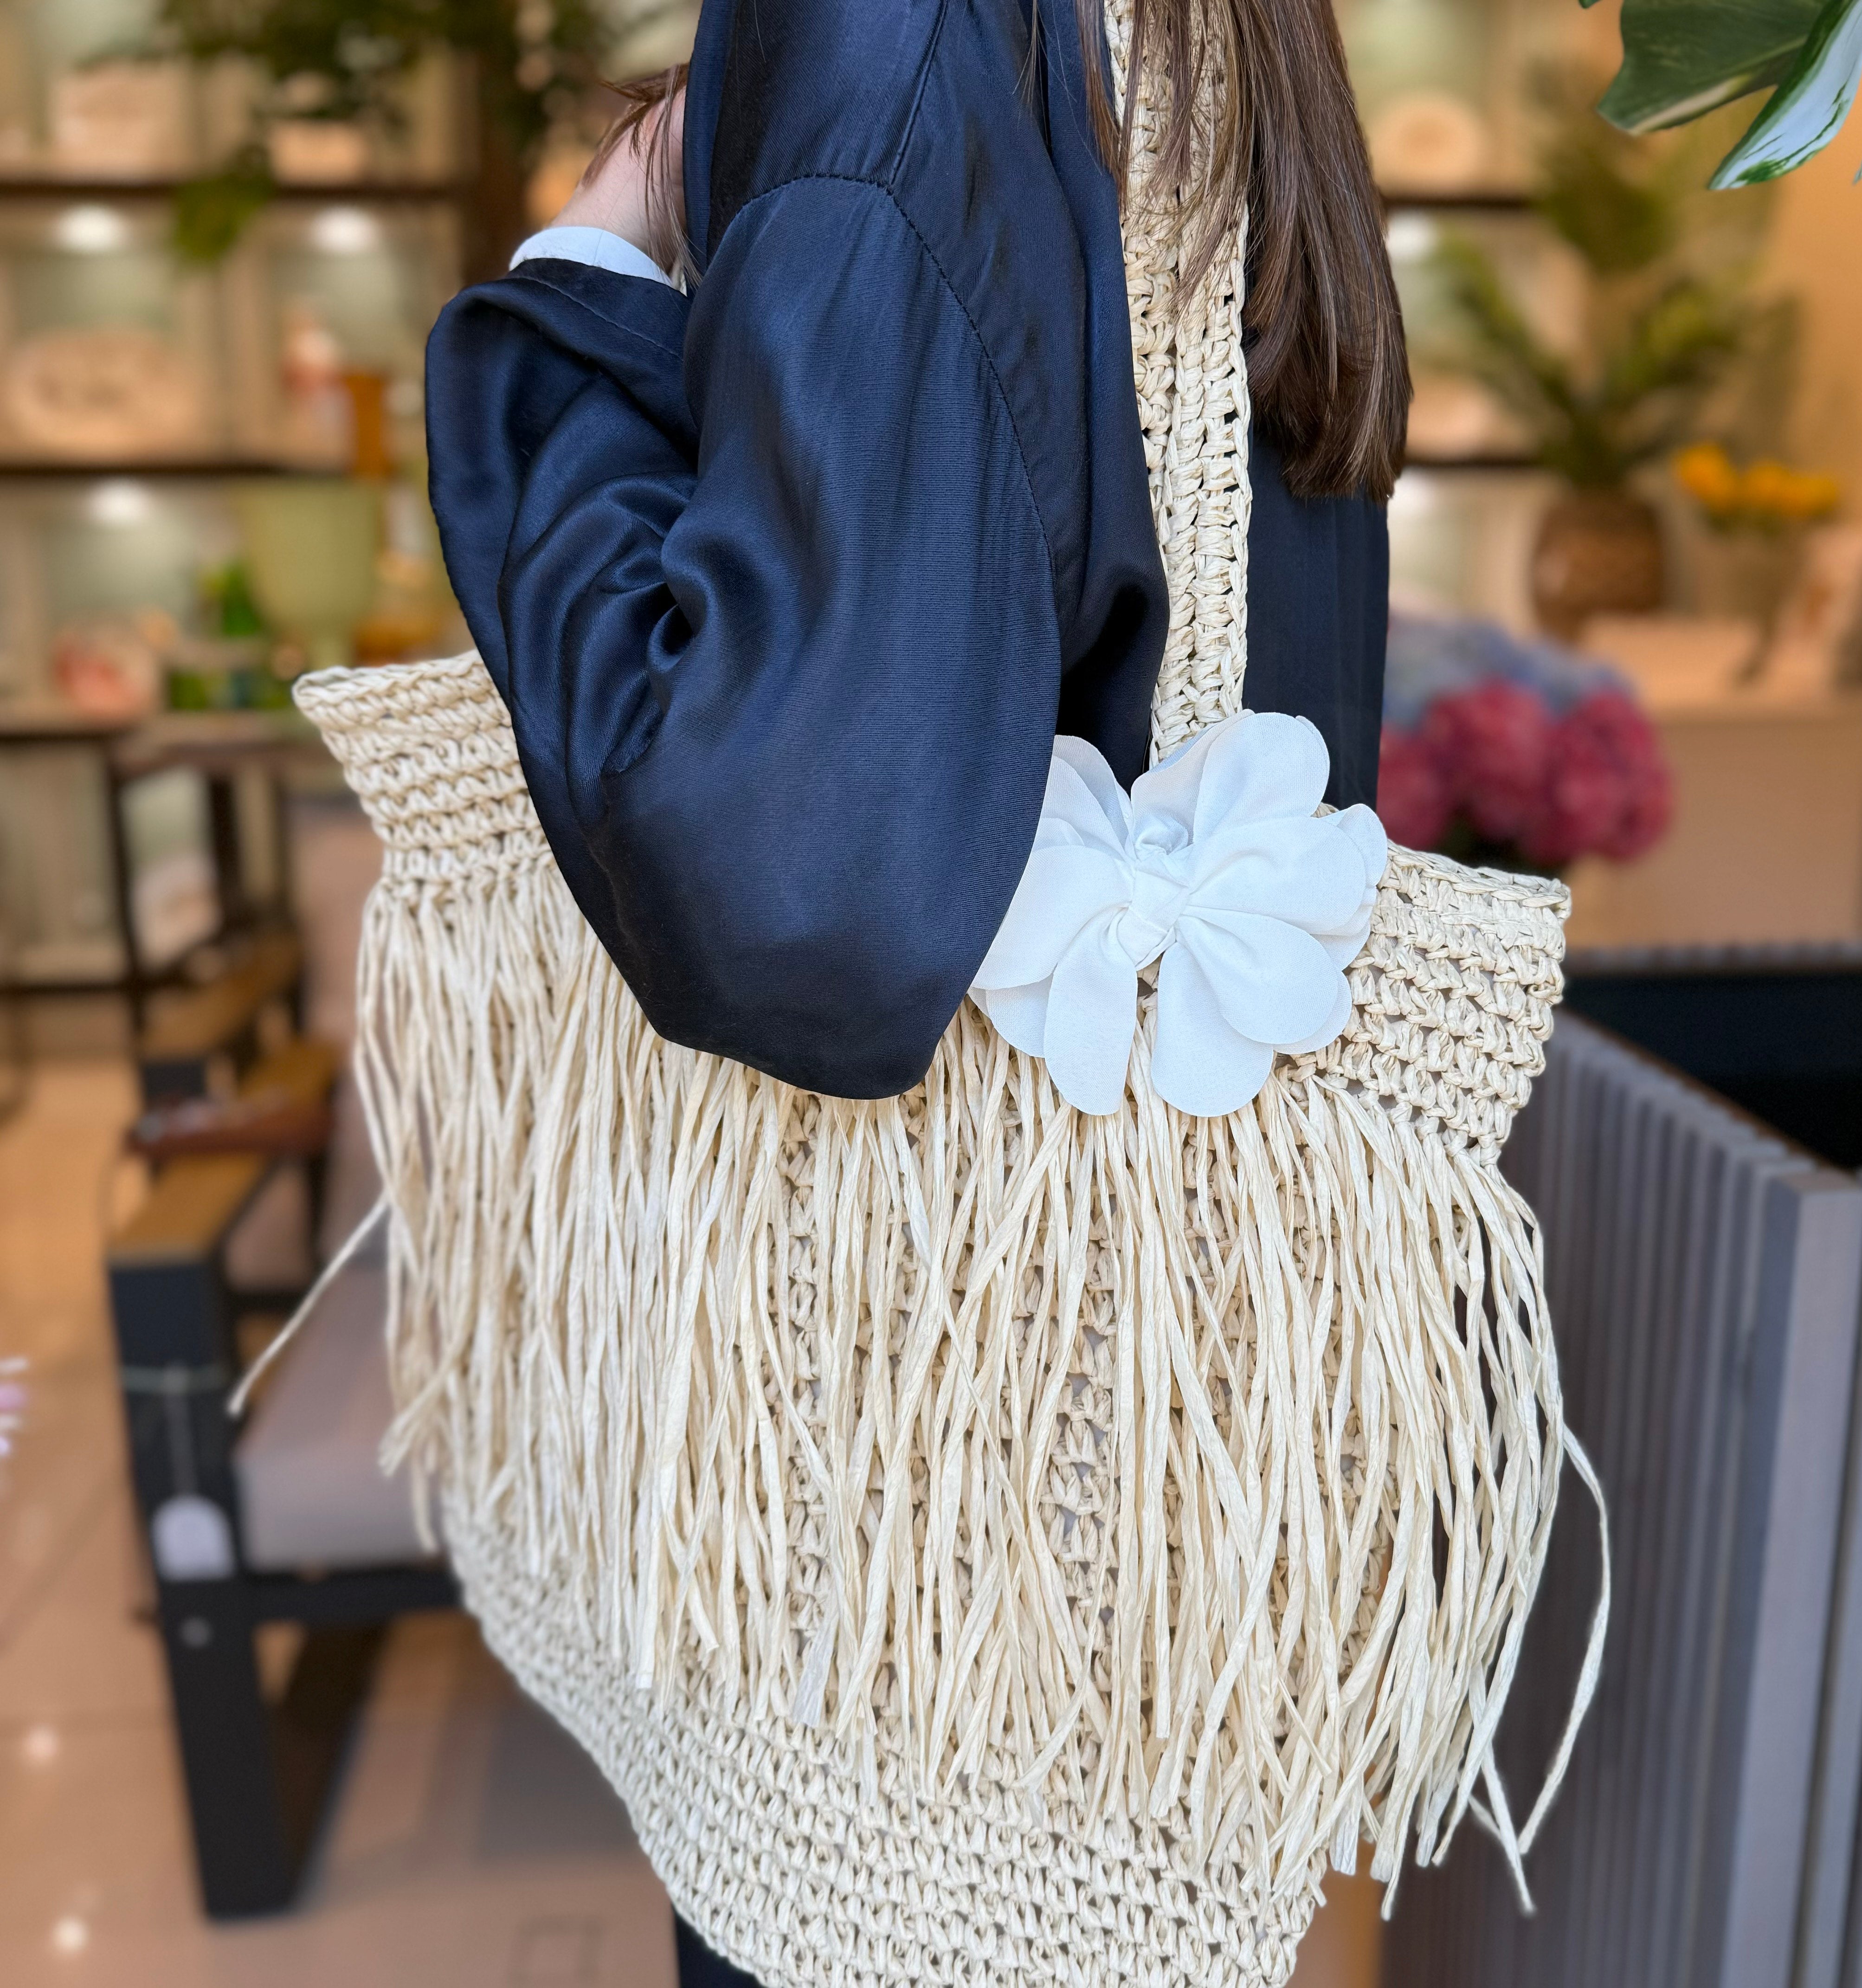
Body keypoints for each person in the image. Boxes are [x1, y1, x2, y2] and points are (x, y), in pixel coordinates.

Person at [423, 3, 1405, 1981]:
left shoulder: (894, 33)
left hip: (894, 1481)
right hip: (1159, 1431)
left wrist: (590, 272)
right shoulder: (1213, 40)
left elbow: (782, 878)